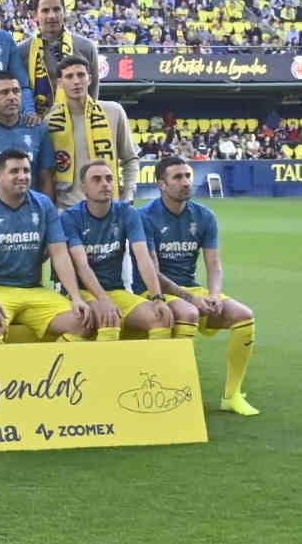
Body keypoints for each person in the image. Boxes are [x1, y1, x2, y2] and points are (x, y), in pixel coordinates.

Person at [137, 155, 259, 415]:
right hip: (154, 292)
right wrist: (192, 300)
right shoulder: (145, 216)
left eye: (188, 176)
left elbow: (214, 265)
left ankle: (232, 395)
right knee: (189, 312)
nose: (185, 183)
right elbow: (153, 273)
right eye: (177, 177)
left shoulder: (204, 216)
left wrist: (214, 295)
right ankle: (175, 396)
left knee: (244, 317)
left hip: (192, 290)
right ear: (161, 184)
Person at [0, 148, 92, 343]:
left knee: (83, 321)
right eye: (14, 171)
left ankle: (50, 370)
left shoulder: (44, 205)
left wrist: (75, 296)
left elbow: (60, 255)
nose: (22, 176)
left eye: (26, 171)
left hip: (34, 289)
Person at [60, 160, 172, 342]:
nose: (105, 183)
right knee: (109, 319)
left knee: (161, 318)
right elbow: (82, 266)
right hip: (83, 291)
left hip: (115, 290)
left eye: (109, 179)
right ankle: (101, 370)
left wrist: (157, 297)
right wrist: (103, 299)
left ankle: (151, 371)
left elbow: (143, 258)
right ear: (83, 188)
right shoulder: (70, 217)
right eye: (96, 179)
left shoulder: (127, 212)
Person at [45, 56, 137, 211]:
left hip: (109, 209)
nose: (76, 81)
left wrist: (128, 195)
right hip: (67, 212)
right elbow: (46, 173)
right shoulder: (50, 123)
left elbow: (130, 158)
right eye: (69, 76)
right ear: (59, 83)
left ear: (90, 79)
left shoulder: (113, 111)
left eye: (81, 75)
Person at [0, 71, 54, 199]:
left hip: (30, 212)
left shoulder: (38, 128)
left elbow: (46, 177)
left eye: (16, 91)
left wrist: (46, 211)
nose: (12, 97)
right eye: (4, 92)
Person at [19, 0, 100, 117]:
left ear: (64, 11)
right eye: (45, 10)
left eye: (56, 9)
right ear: (35, 15)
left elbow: (93, 91)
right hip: (38, 126)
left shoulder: (86, 47)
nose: (52, 15)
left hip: (77, 122)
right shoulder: (22, 51)